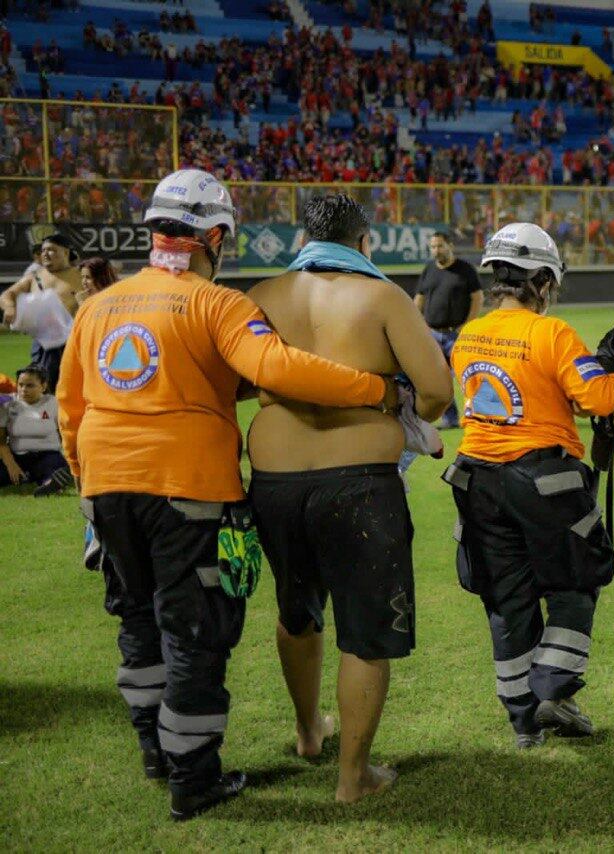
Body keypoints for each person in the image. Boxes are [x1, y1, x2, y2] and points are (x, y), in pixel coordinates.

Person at [58, 169, 399, 821]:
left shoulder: (98, 307)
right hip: (186, 489)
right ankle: (194, 778)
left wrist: (88, 492)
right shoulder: (217, 304)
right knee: (195, 632)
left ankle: (157, 756)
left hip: (106, 486)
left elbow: (71, 408)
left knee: (138, 627)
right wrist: (372, 389)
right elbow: (276, 368)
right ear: (213, 235)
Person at [246, 194, 453, 804]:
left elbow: (233, 379)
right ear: (364, 241)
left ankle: (310, 733)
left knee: (295, 610)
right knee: (365, 632)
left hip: (275, 481)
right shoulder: (382, 296)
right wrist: (396, 402)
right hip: (360, 480)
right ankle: (352, 777)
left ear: (303, 237)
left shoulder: (262, 293)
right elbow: (438, 390)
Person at [444, 222, 614, 748]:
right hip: (545, 478)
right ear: (541, 281)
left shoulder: (469, 334)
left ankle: (523, 719)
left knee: (505, 597)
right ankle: (552, 689)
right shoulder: (553, 334)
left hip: (477, 479)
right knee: (574, 582)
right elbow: (599, 399)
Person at [413, 230, 481, 428]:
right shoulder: (429, 269)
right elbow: (419, 299)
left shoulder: (465, 269)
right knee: (438, 380)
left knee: (469, 375)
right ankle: (450, 419)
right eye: (433, 247)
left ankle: (479, 415)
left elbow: (477, 298)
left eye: (440, 246)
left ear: (450, 246)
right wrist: (417, 324)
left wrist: (467, 326)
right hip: (432, 334)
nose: (436, 251)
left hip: (456, 335)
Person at [1, 234, 81, 390]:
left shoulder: (81, 274)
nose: (45, 253)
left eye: (51, 250)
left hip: (75, 340)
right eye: (43, 250)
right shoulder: (34, 277)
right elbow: (7, 294)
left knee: (75, 387)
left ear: (65, 252)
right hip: (44, 344)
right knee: (43, 389)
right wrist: (9, 307)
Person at [0, 365, 74, 496]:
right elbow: (1, 441)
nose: (24, 390)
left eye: (30, 386)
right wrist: (11, 464)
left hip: (47, 456)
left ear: (43, 386)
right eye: (21, 385)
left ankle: (50, 485)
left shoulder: (55, 404)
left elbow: (67, 432)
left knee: (53, 467)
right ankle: (29, 478)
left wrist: (71, 457)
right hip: (16, 457)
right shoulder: (8, 404)